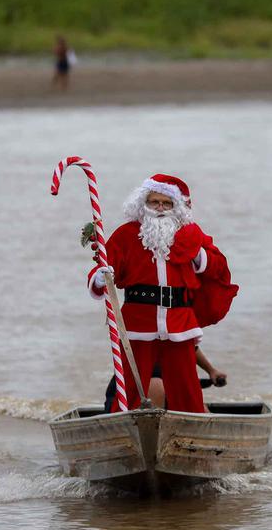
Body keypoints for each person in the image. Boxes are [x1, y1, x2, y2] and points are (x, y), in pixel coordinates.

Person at [88, 174, 238, 414]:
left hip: (179, 322)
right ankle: (123, 427)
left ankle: (194, 427)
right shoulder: (126, 234)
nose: (160, 207)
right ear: (142, 204)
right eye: (154, 202)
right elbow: (105, 267)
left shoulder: (191, 234)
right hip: (138, 320)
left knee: (187, 389)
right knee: (129, 385)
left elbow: (219, 267)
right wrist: (99, 276)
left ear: (176, 207)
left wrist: (198, 255)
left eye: (166, 203)